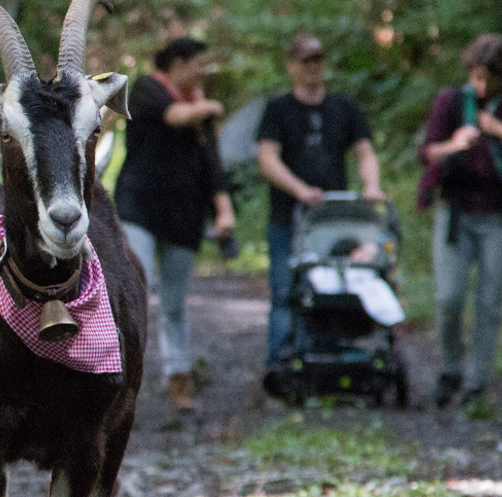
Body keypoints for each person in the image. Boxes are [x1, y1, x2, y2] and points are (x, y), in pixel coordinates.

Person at [115, 37, 235, 412]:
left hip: (185, 217)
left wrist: (224, 210)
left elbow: (214, 166)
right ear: (178, 63)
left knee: (174, 304)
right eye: (200, 63)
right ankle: (114, 381)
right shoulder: (146, 89)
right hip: (139, 210)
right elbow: (173, 116)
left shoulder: (199, 107)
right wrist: (211, 106)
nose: (204, 71)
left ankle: (178, 379)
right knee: (135, 290)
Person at [257, 34, 385, 385]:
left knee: (335, 286)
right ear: (292, 66)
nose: (312, 67)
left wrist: (371, 185)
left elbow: (364, 151)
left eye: (317, 60)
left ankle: (330, 355)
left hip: (335, 221)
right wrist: (300, 190)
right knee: (287, 290)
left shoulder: (343, 108)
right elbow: (267, 158)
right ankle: (281, 360)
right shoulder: (279, 109)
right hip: (290, 218)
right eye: (305, 61)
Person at [418, 34, 502, 408]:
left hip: (499, 215)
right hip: (456, 210)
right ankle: (451, 370)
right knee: (448, 296)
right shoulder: (451, 102)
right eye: (474, 76)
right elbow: (427, 152)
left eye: (486, 79)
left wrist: (501, 131)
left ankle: (476, 383)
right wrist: (454, 144)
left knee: (489, 302)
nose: (479, 86)